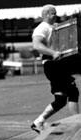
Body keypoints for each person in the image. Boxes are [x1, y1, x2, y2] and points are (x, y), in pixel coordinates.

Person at [31, 4, 80, 133]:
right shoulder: (41, 28)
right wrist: (52, 52)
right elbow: (36, 45)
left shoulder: (54, 27)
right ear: (46, 14)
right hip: (53, 65)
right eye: (53, 13)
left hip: (57, 65)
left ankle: (38, 122)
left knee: (60, 100)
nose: (56, 15)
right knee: (73, 92)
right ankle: (78, 125)